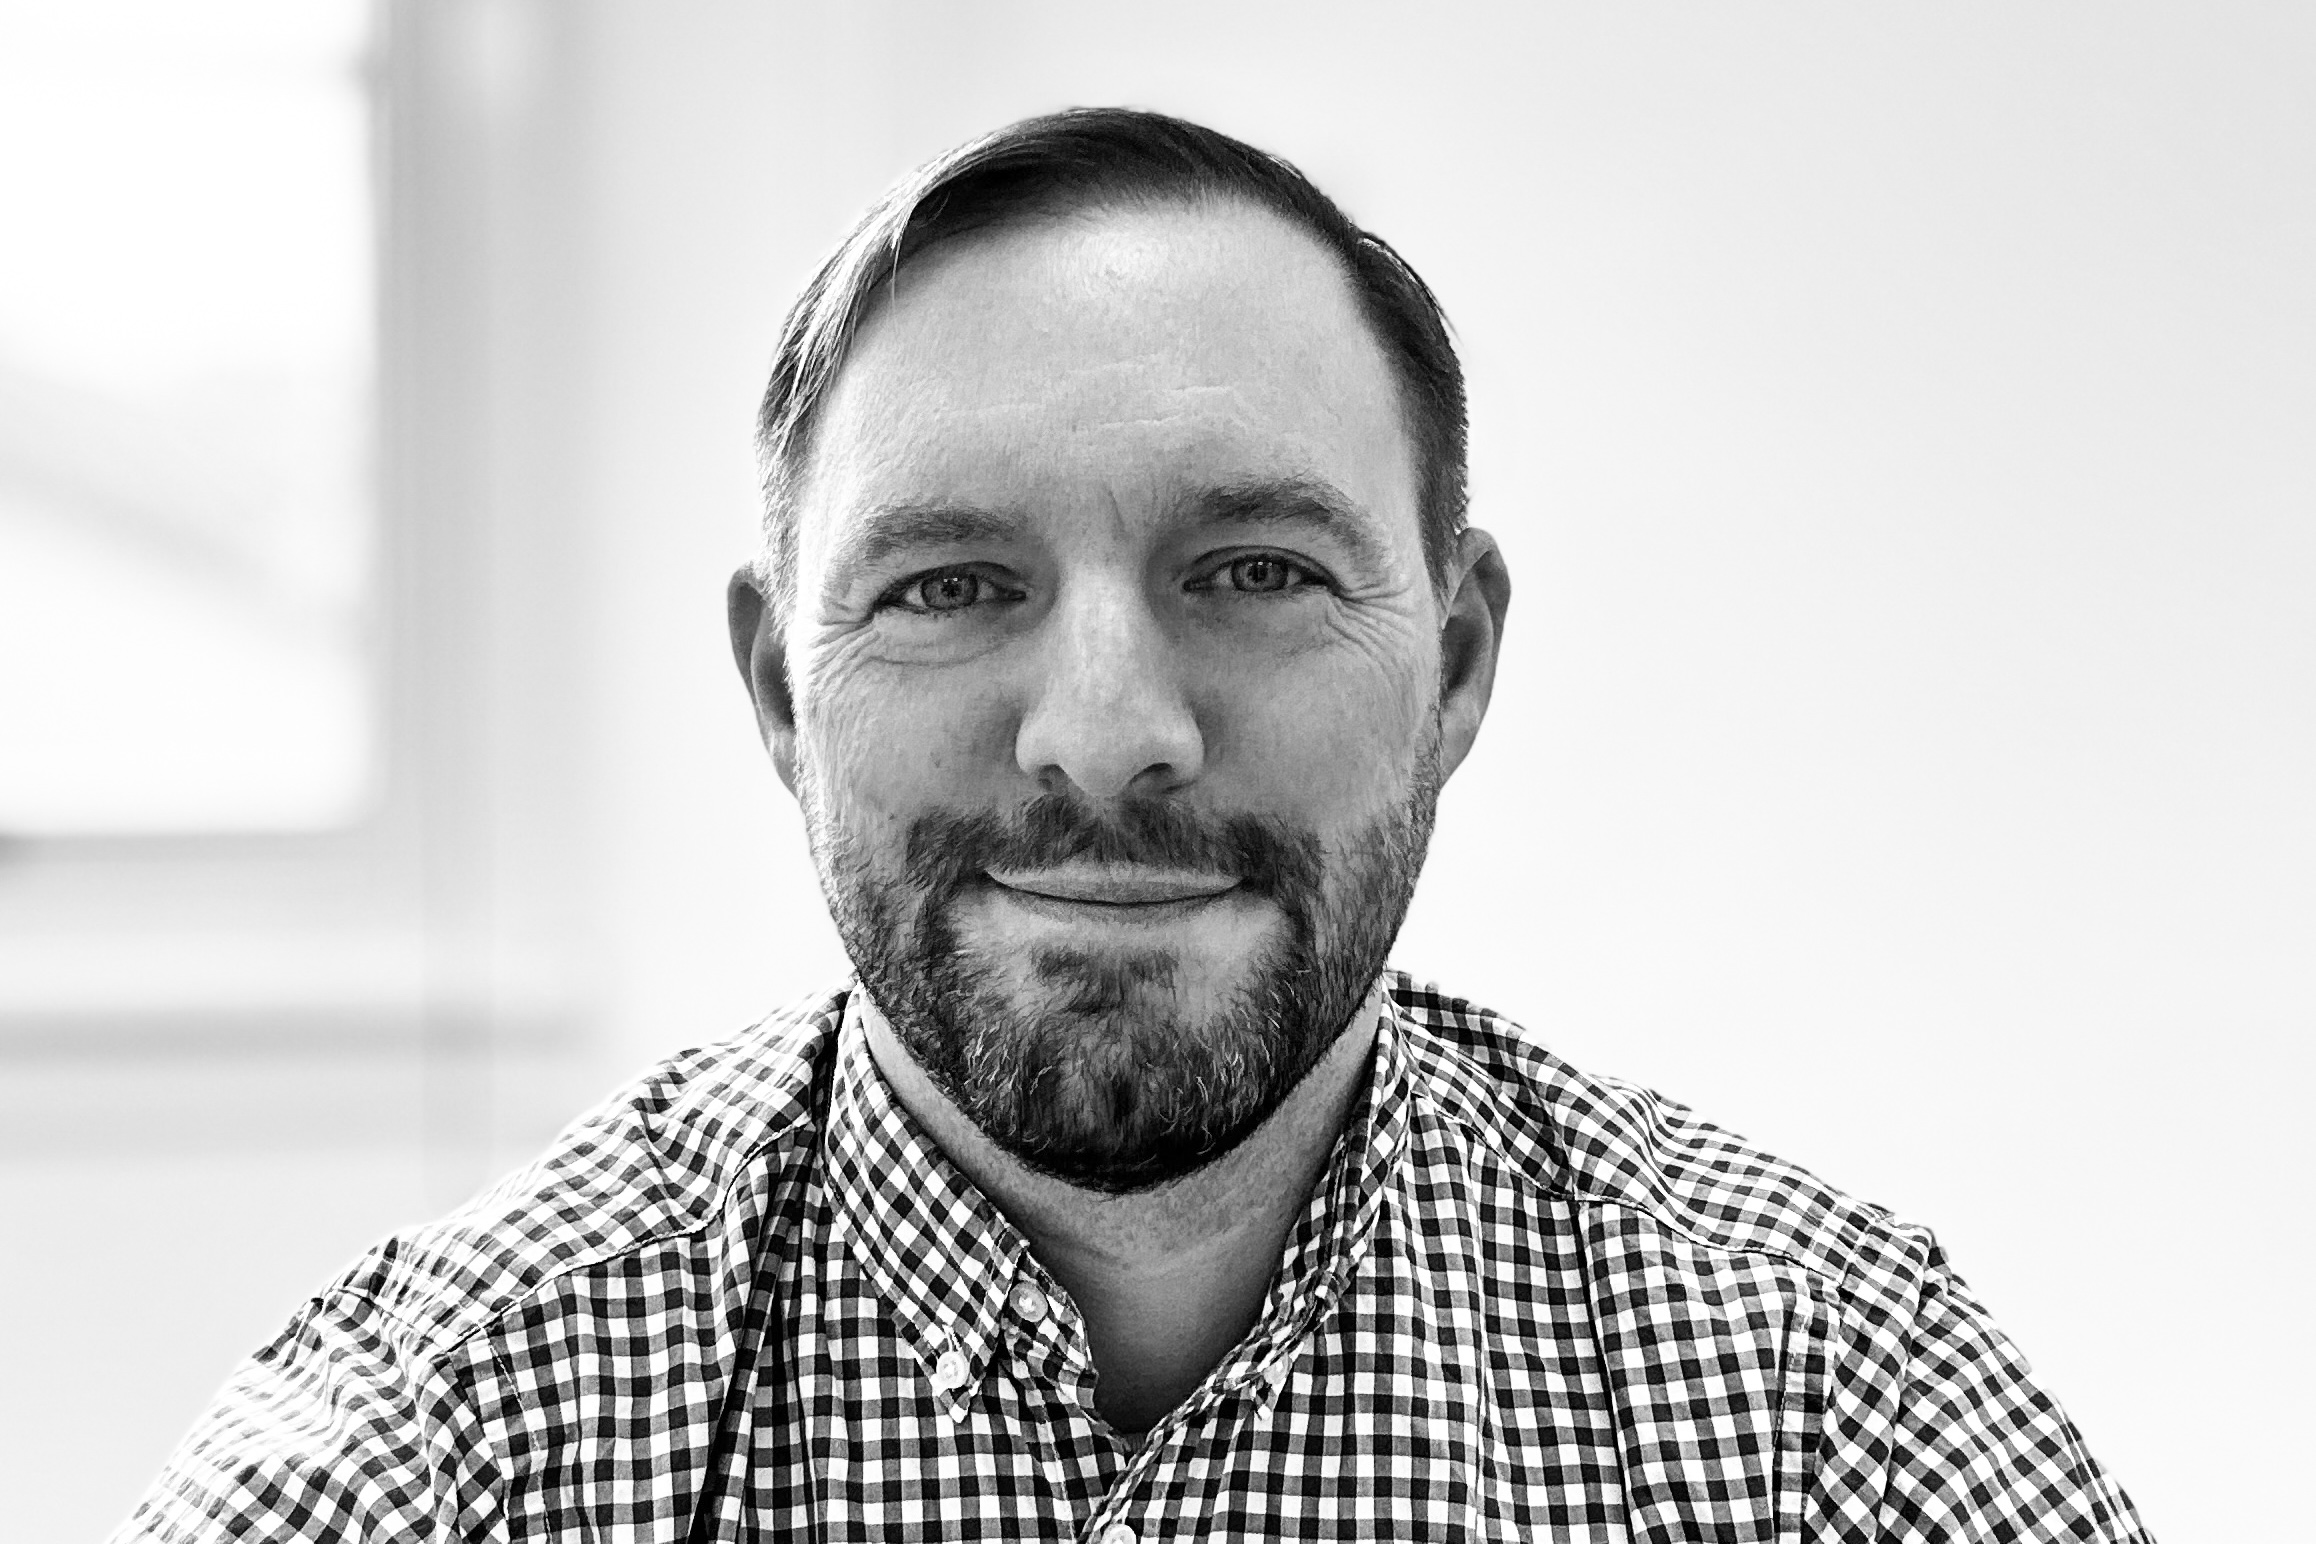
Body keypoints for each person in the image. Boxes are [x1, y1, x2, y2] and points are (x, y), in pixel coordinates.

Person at [115, 108, 2147, 1542]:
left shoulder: (1829, 1414)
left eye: (1252, 570)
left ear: (1453, 668)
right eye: (952, 584)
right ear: (779, 696)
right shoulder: (445, 1447)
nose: (1106, 735)